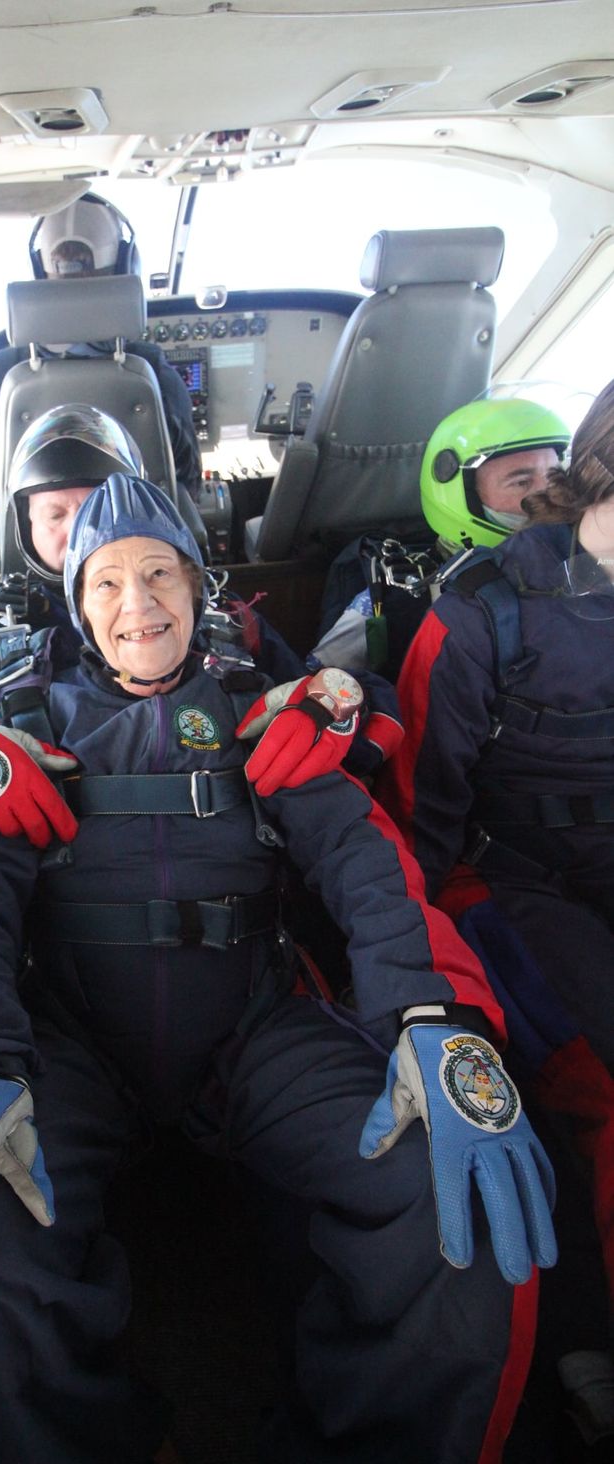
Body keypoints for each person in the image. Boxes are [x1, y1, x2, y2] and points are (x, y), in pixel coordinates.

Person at [0, 474, 555, 1464]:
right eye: (106, 583)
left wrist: (431, 1018)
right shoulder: (26, 739)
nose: (137, 605)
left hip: (254, 1029)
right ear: (75, 604)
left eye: (160, 574)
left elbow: (368, 868)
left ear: (198, 587)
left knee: (452, 1199)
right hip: (71, 1049)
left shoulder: (267, 715)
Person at [374, 380, 614, 1439]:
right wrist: (419, 976)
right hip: (512, 875)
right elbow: (418, 806)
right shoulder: (478, 613)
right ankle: (582, 1325)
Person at [0, 403, 402, 835]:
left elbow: (332, 716)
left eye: (99, 501)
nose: (81, 527)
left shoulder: (220, 622)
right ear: (21, 527)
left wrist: (341, 698)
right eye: (56, 512)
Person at [0, 192, 202, 504]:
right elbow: (185, 478)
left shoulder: (6, 369)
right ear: (125, 268)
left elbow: (0, 486)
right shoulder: (147, 365)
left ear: (39, 271)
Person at [311, 397, 571, 684]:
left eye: (554, 476)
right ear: (463, 495)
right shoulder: (399, 599)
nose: (547, 493)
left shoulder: (586, 568)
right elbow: (317, 688)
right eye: (521, 482)